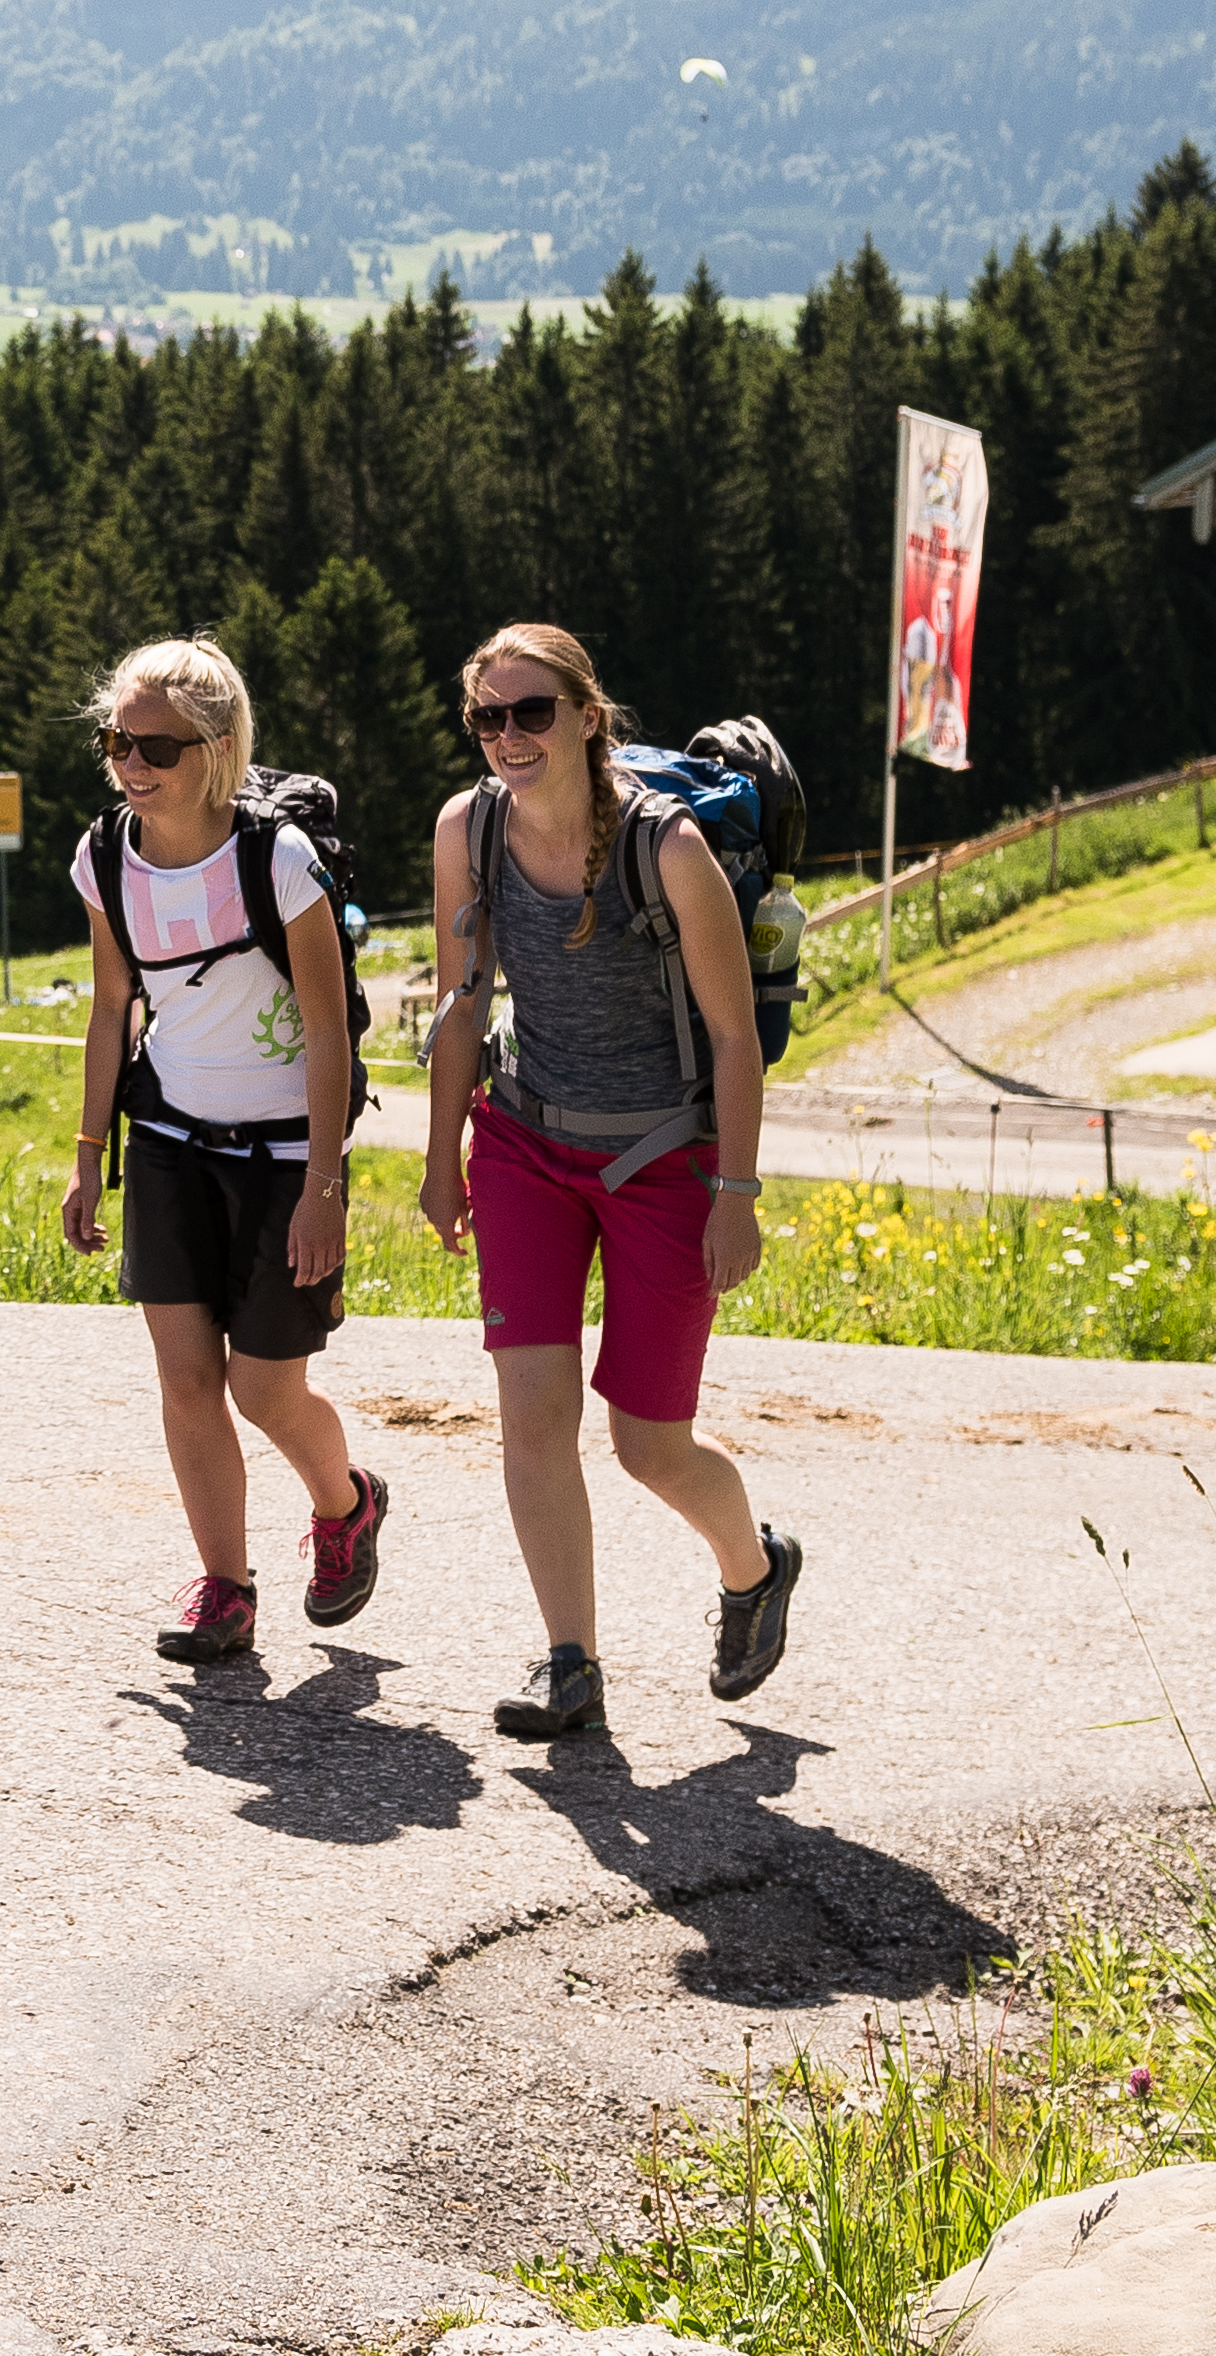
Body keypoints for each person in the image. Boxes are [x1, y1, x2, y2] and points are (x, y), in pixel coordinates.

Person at [419, 621, 802, 1740]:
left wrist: (738, 1194)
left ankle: (753, 1567)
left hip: (660, 1163)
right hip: (528, 1146)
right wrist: (444, 1159)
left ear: (589, 717)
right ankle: (569, 1662)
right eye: (487, 717)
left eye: (531, 712)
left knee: (648, 1442)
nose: (507, 738)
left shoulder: (668, 849)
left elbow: (736, 1039)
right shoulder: (468, 830)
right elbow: (461, 1007)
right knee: (530, 1418)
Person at [60, 638, 386, 1664]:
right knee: (188, 1378)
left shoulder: (278, 863)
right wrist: (87, 1150)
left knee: (265, 1388)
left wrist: (324, 1186)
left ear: (217, 748)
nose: (131, 762)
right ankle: (226, 1586)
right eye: (117, 739)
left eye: (155, 744)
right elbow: (114, 1006)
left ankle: (346, 1505)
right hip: (166, 1142)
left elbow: (329, 1032)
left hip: (287, 1156)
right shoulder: (102, 857)